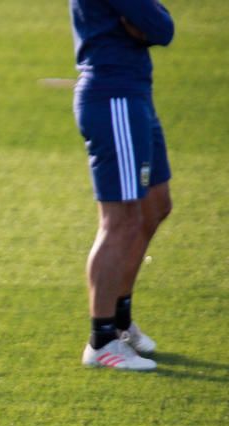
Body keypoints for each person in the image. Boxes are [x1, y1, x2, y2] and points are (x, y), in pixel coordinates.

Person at [71, 0, 175, 371]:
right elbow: (161, 27)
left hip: (134, 94)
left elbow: (154, 24)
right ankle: (102, 341)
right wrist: (149, 22)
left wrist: (149, 21)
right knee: (121, 220)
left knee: (155, 205)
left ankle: (119, 319)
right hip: (114, 97)